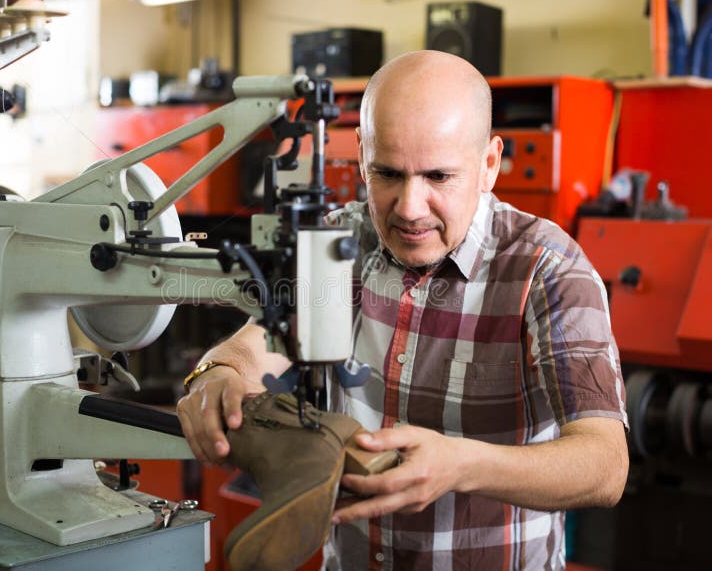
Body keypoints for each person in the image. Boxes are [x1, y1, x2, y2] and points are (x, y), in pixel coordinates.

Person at [176, 50, 629, 570]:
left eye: (438, 177)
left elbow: (604, 464)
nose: (409, 208)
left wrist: (461, 465)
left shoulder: (547, 270)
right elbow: (261, 342)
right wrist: (221, 371)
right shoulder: (343, 239)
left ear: (488, 165)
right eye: (387, 174)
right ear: (363, 156)